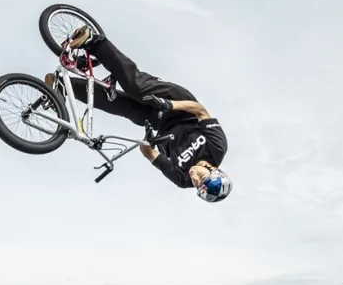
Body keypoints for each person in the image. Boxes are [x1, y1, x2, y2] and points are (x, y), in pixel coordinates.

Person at [55, 26, 232, 202]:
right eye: (201, 178)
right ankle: (94, 41)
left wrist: (148, 141)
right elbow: (200, 110)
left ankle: (63, 87)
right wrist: (169, 104)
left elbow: (149, 154)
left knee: (119, 106)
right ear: (214, 170)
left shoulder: (182, 179)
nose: (194, 178)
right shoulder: (217, 148)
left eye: (196, 185)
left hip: (158, 123)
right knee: (137, 88)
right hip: (179, 104)